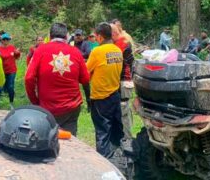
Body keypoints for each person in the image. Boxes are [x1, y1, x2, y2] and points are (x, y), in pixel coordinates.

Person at [24, 22, 91, 136]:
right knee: (70, 141)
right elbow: (85, 79)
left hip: (47, 107)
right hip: (72, 107)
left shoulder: (40, 50)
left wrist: (34, 101)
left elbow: (28, 78)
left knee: (47, 139)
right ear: (66, 37)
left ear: (49, 36)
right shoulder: (75, 52)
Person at [87, 22, 124, 158]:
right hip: (115, 95)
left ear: (100, 37)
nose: (95, 39)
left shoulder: (97, 51)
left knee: (102, 132)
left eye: (96, 36)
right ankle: (120, 159)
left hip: (100, 98)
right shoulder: (117, 50)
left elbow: (86, 72)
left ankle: (104, 162)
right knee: (116, 130)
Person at [110, 19, 134, 140]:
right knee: (123, 109)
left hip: (123, 80)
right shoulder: (123, 41)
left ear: (113, 34)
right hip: (123, 80)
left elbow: (118, 64)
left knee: (123, 109)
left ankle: (127, 138)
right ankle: (123, 136)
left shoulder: (121, 43)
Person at [0, 33, 21, 109]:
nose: (6, 41)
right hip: (2, 71)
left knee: (11, 87)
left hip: (11, 70)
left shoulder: (12, 48)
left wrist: (17, 53)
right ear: (1, 40)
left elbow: (17, 57)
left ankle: (11, 103)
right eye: (4, 39)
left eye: (7, 39)